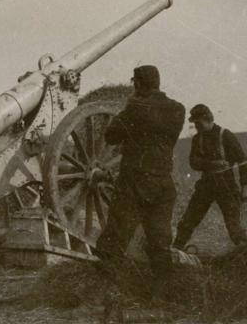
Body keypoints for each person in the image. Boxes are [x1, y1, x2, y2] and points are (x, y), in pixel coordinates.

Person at [94, 65, 185, 295]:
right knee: (160, 243)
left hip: (135, 181)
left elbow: (111, 136)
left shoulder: (135, 108)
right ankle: (162, 296)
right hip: (163, 183)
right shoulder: (178, 109)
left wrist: (130, 107)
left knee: (115, 237)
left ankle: (103, 290)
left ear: (138, 84)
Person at [173, 104, 247, 250]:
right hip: (206, 185)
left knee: (234, 228)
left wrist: (245, 188)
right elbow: (193, 162)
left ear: (208, 119)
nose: (196, 126)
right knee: (188, 221)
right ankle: (176, 251)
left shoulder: (225, 135)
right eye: (194, 124)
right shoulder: (197, 139)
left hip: (227, 186)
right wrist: (212, 164)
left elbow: (244, 162)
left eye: (198, 123)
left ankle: (243, 255)